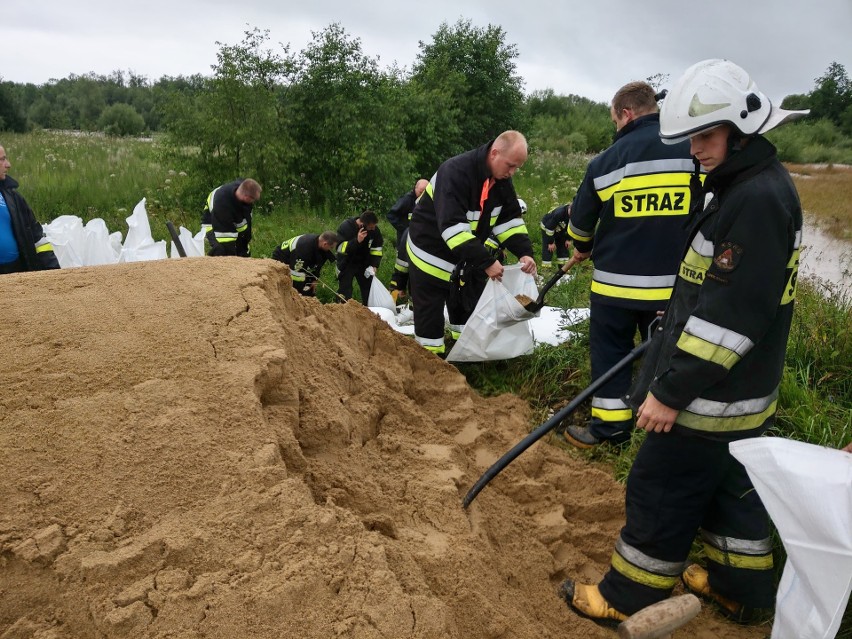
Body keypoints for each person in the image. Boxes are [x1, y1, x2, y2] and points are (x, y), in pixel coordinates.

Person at [560, 59, 808, 626]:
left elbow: (729, 319)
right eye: (693, 136)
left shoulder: (754, 202)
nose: (696, 149)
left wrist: (670, 392)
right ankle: (742, 589)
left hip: (710, 396)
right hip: (740, 394)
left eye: (706, 135)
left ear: (742, 130)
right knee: (729, 489)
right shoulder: (749, 186)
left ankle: (627, 595)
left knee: (660, 486)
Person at [560, 81, 696, 449]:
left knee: (610, 356)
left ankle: (610, 430)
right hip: (673, 288)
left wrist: (584, 248)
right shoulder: (693, 151)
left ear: (626, 113)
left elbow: (580, 225)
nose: (616, 128)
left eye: (615, 121)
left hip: (614, 289)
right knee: (666, 356)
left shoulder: (607, 161)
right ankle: (661, 434)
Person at [407, 130, 536, 355]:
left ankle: (463, 357)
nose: (513, 172)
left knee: (463, 310)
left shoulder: (502, 179)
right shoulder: (454, 172)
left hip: (463, 257)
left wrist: (524, 252)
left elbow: (509, 222)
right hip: (430, 254)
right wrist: (486, 262)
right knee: (430, 318)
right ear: (494, 153)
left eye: (517, 168)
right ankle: (430, 367)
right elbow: (453, 229)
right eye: (510, 165)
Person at [0, 144, 60, 274]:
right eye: (2, 159)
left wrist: (54, 272)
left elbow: (37, 238)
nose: (8, 164)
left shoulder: (14, 198)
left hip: (16, 273)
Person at [200, 178, 262, 257]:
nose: (253, 202)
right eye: (253, 200)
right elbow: (225, 238)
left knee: (243, 250)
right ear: (247, 197)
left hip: (233, 220)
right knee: (221, 250)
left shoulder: (243, 188)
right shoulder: (222, 204)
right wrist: (233, 261)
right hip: (213, 224)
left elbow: (246, 226)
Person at [271, 231, 339, 297]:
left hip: (298, 259)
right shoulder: (304, 249)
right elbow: (296, 273)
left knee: (308, 290)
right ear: (325, 244)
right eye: (331, 247)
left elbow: (317, 265)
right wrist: (301, 292)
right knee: (299, 290)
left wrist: (314, 279)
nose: (331, 250)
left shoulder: (319, 245)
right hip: (282, 258)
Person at [336, 210, 383, 303]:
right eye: (371, 227)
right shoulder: (346, 227)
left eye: (374, 226)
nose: (373, 229)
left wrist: (374, 265)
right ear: (362, 225)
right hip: (347, 263)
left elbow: (377, 249)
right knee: (345, 290)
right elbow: (339, 248)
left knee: (368, 288)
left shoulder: (375, 230)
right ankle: (342, 310)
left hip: (364, 263)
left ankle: (368, 310)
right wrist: (357, 241)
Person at [387, 178, 429, 247]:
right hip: (405, 241)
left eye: (425, 193)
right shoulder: (407, 200)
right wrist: (404, 230)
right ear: (415, 188)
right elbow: (391, 215)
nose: (422, 196)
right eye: (420, 192)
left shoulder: (428, 202)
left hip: (420, 242)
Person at [539, 203, 571, 269]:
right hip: (547, 228)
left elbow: (571, 228)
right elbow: (549, 228)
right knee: (549, 249)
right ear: (569, 209)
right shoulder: (559, 213)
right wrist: (550, 242)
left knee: (563, 246)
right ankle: (546, 270)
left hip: (560, 229)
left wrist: (568, 239)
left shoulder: (575, 215)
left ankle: (563, 271)